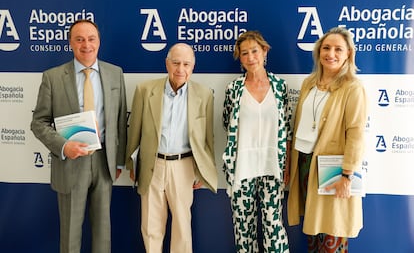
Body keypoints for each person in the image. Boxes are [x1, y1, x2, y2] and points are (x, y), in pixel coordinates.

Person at [31, 19, 127, 253]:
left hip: (104, 161)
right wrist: (64, 146)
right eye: (80, 39)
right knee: (71, 235)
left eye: (91, 39)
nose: (86, 45)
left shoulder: (115, 74)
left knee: (103, 234)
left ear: (99, 42)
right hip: (70, 162)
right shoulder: (53, 77)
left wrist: (119, 160)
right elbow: (39, 122)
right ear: (71, 43)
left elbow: (120, 120)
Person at [126, 42, 218, 253]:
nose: (180, 69)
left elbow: (207, 138)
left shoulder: (204, 94)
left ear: (193, 67)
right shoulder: (145, 90)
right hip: (152, 164)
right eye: (176, 63)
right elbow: (135, 131)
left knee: (182, 226)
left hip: (184, 166)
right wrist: (131, 164)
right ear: (167, 64)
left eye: (186, 64)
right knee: (151, 226)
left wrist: (202, 170)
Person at [287, 27, 367, 252]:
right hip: (305, 164)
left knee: (333, 230)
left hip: (333, 169)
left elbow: (356, 133)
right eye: (326, 48)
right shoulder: (308, 83)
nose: (330, 53)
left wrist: (347, 174)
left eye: (338, 49)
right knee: (313, 228)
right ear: (318, 52)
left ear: (348, 54)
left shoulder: (353, 88)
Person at [222, 30, 291, 253]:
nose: (250, 57)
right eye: (244, 53)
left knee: (274, 225)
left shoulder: (280, 87)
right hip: (242, 169)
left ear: (264, 51)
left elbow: (287, 129)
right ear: (239, 58)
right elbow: (227, 123)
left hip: (272, 167)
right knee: (243, 229)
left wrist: (287, 164)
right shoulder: (234, 89)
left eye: (254, 51)